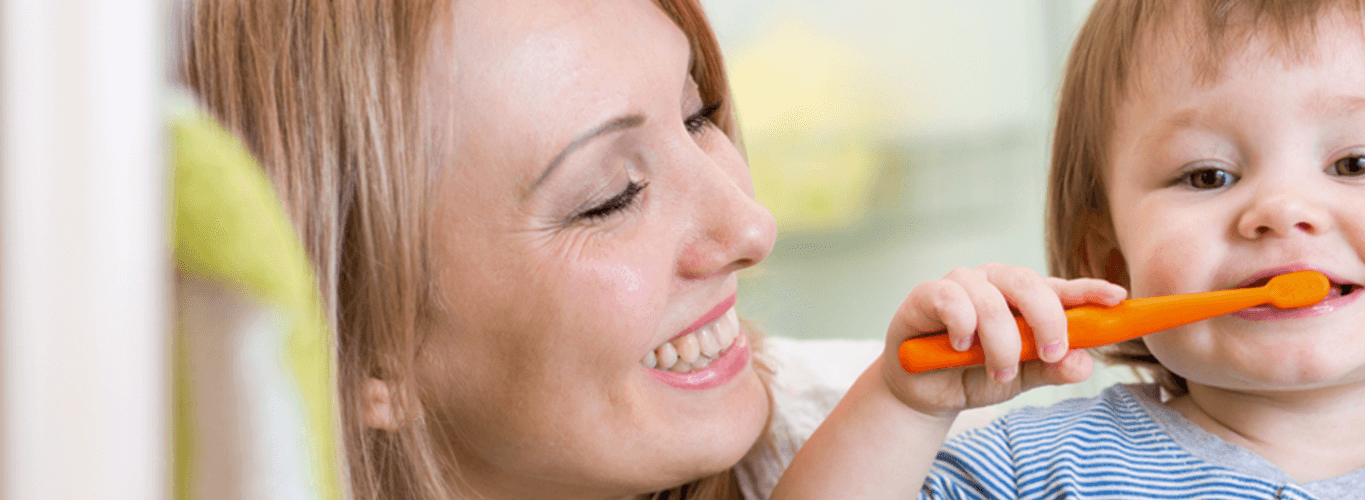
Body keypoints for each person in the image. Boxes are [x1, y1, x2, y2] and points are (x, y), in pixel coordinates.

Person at [774, 0, 1365, 498]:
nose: (1279, 210)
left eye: (1358, 162)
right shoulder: (1040, 469)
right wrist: (903, 404)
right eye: (1207, 176)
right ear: (1111, 263)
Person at [180, 1, 865, 498]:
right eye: (612, 196)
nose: (752, 227)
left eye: (696, 116)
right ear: (371, 358)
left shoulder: (911, 444)